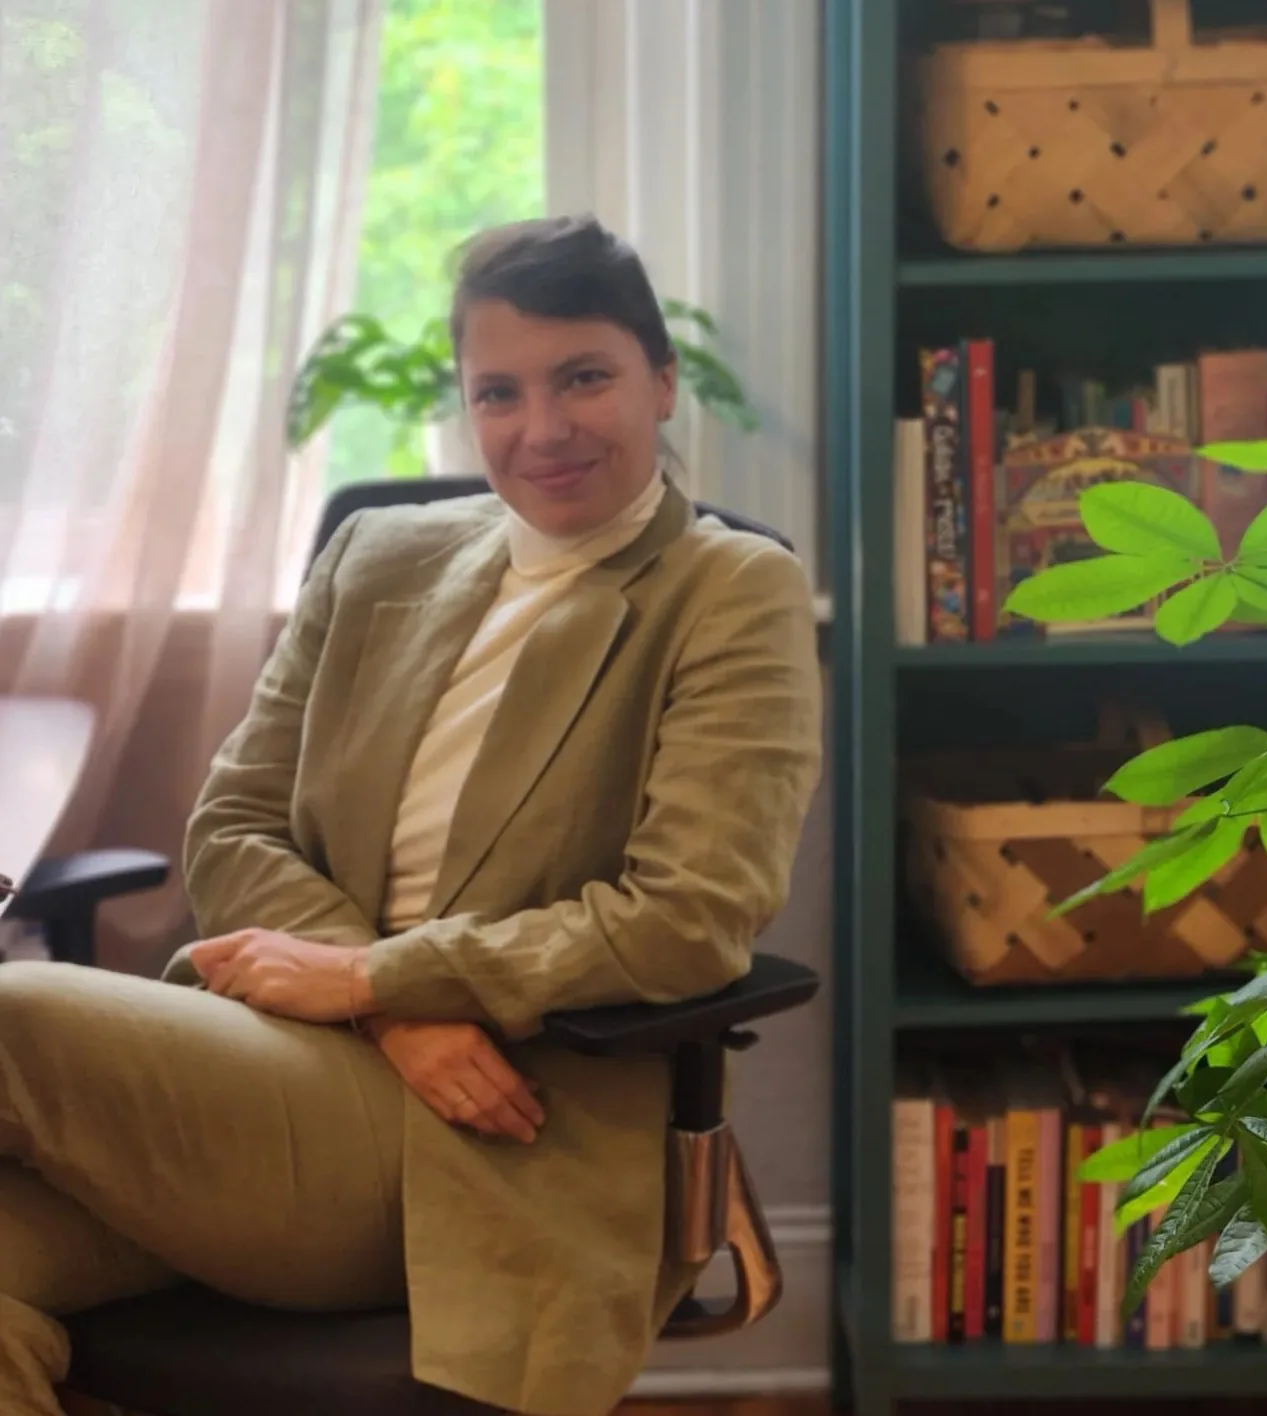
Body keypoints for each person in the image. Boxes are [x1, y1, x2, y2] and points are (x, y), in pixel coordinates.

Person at [0, 214, 822, 1416]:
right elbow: (231, 825)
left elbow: (686, 921)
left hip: (500, 1134)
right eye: (499, 391)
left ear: (659, 382)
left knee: (15, 1015)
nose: (539, 428)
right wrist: (388, 1010)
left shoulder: (727, 592)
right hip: (290, 1087)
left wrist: (378, 981)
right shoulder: (378, 557)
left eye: (582, 377)